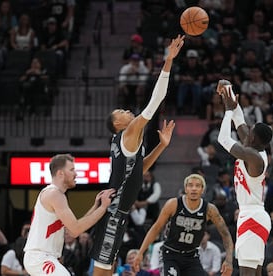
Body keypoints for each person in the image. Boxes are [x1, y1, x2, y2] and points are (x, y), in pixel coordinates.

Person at [91, 35, 185, 276]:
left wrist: (162, 146)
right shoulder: (129, 132)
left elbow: (139, 170)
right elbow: (155, 102)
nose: (125, 110)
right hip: (114, 213)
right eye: (120, 112)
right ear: (119, 125)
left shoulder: (124, 143)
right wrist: (168, 62)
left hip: (117, 212)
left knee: (108, 270)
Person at [23, 154, 115, 276]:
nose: (76, 174)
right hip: (39, 257)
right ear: (60, 173)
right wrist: (103, 207)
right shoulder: (54, 194)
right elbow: (76, 229)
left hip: (44, 257)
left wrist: (96, 206)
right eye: (72, 170)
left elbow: (72, 230)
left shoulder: (57, 195)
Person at [217, 80, 273, 275]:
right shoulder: (253, 148)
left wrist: (227, 112)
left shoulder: (254, 157)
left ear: (254, 139)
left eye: (251, 131)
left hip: (253, 216)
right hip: (250, 215)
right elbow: (239, 121)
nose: (247, 131)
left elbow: (223, 139)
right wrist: (228, 90)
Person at [132, 174, 234, 276]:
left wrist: (229, 261)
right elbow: (156, 228)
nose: (193, 188)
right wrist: (141, 252)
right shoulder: (173, 204)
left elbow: (226, 235)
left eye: (197, 186)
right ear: (185, 189)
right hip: (170, 254)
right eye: (190, 185)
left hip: (191, 256)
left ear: (202, 190)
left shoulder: (209, 210)